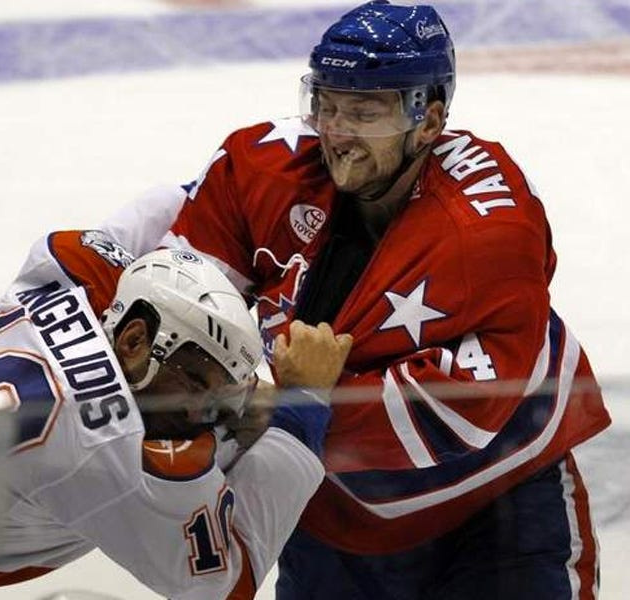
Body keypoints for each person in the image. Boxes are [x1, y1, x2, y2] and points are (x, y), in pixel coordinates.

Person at [96, 1, 612, 598]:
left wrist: (292, 401)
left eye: (363, 112)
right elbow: (179, 303)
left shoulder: (487, 230)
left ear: (429, 119)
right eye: (327, 105)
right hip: (332, 509)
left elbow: (459, 411)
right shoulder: (258, 168)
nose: (336, 132)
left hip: (496, 501)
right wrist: (285, 399)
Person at [0, 236, 353, 600]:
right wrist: (303, 405)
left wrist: (228, 394)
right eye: (196, 382)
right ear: (131, 339)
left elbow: (74, 247)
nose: (200, 412)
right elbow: (222, 582)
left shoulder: (62, 287)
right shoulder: (105, 450)